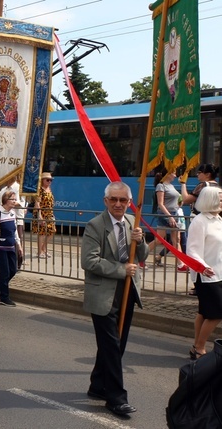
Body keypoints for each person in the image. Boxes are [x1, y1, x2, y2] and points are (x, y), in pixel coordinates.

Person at [81, 181, 147, 417]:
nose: (118, 204)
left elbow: (141, 256)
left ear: (129, 203)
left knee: (117, 344)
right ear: (105, 201)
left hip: (128, 290)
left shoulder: (132, 223)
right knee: (110, 345)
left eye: (123, 200)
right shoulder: (95, 226)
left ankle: (98, 385)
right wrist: (121, 270)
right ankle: (116, 398)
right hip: (103, 294)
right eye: (114, 200)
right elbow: (89, 261)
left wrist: (141, 241)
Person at [186, 186, 222, 360]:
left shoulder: (217, 219)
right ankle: (200, 348)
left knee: (204, 312)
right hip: (206, 276)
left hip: (220, 273)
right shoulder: (199, 221)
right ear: (210, 199)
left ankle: (195, 347)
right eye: (220, 198)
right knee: (216, 313)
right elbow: (192, 250)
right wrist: (203, 267)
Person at [0, 190, 23, 307]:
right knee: (5, 272)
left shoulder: (12, 213)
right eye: (12, 199)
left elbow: (14, 231)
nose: (14, 201)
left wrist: (19, 245)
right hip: (0, 247)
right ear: (5, 200)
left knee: (13, 270)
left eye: (15, 199)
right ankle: (4, 297)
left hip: (11, 246)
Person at [151, 167, 184, 269]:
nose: (175, 175)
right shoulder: (161, 186)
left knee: (176, 240)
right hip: (166, 215)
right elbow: (160, 204)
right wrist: (169, 217)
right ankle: (139, 257)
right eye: (173, 173)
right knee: (159, 240)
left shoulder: (171, 186)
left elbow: (177, 200)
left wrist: (180, 201)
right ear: (168, 174)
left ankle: (181, 264)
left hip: (174, 214)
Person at [0, 174, 27, 267]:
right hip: (4, 218)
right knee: (7, 241)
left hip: (16, 218)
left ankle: (17, 263)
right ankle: (10, 264)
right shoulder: (4, 189)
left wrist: (11, 202)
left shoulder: (19, 188)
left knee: (16, 240)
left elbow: (21, 204)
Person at [31, 172, 55, 258]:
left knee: (52, 231)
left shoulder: (49, 189)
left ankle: (43, 249)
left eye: (51, 180)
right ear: (42, 180)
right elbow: (37, 204)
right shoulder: (40, 190)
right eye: (47, 180)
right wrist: (40, 216)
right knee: (42, 233)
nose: (49, 182)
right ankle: (40, 252)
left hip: (49, 213)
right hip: (42, 213)